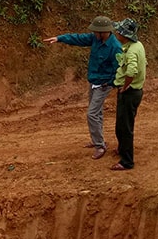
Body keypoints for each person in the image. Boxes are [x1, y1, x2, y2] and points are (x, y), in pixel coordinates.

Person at [43, 16, 122, 158]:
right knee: (96, 113)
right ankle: (99, 140)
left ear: (103, 32)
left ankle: (100, 146)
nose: (94, 33)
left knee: (91, 113)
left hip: (103, 84)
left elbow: (118, 70)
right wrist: (60, 38)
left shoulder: (115, 47)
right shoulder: (95, 39)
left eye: (96, 31)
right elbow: (78, 39)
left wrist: (109, 83)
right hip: (94, 81)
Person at [111, 19, 145, 171]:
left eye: (119, 31)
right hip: (133, 91)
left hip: (129, 92)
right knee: (122, 125)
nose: (116, 32)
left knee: (125, 127)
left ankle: (127, 162)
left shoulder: (131, 50)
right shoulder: (137, 46)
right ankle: (122, 149)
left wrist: (125, 86)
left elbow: (131, 71)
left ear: (124, 34)